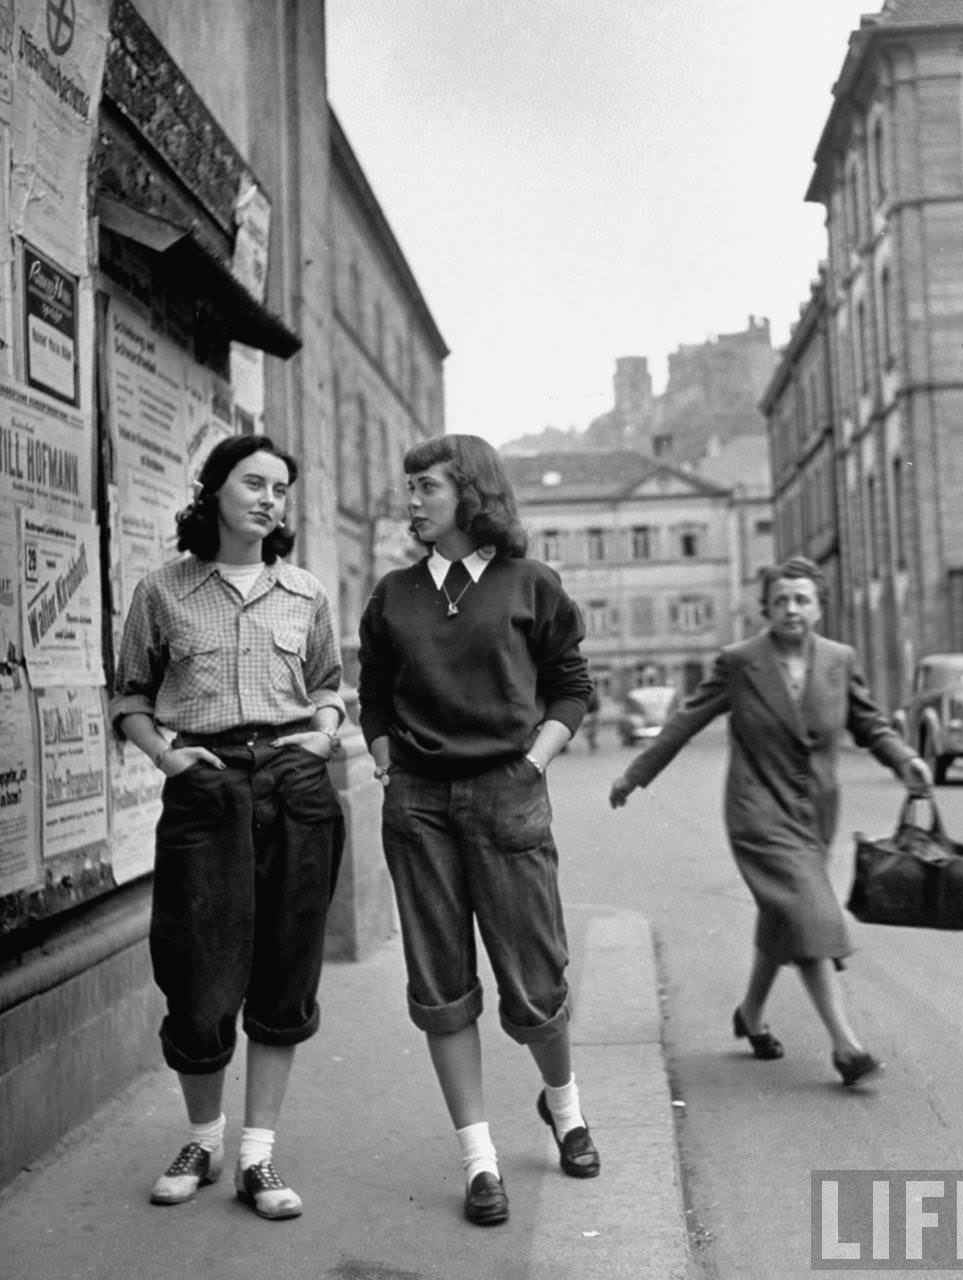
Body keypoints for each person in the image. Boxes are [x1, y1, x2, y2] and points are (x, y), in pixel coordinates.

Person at [357, 433, 599, 1227]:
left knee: (534, 981)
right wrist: (393, 767)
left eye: (426, 486)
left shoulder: (532, 584)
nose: (412, 498)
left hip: (507, 795)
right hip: (420, 807)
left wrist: (532, 764)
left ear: (470, 492)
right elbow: (376, 698)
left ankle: (563, 1108)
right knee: (441, 986)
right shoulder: (393, 594)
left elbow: (569, 687)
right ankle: (479, 1159)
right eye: (410, 486)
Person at [110, 434, 346, 1219]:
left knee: (284, 967)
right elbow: (130, 698)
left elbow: (329, 686)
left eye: (280, 487)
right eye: (254, 482)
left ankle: (257, 1157)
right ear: (213, 489)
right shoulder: (163, 591)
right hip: (205, 788)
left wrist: (318, 737)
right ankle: (203, 1139)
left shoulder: (305, 592)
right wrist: (166, 759)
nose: (269, 499)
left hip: (292, 784)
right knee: (197, 970)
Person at [609, 556, 932, 1086]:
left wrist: (904, 760)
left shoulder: (838, 659)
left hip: (813, 813)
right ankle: (846, 1046)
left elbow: (870, 724)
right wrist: (635, 775)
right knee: (809, 914)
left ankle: (751, 1016)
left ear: (820, 606)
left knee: (785, 916)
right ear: (765, 607)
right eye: (781, 599)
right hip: (757, 811)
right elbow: (686, 720)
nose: (792, 609)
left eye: (802, 599)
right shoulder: (740, 662)